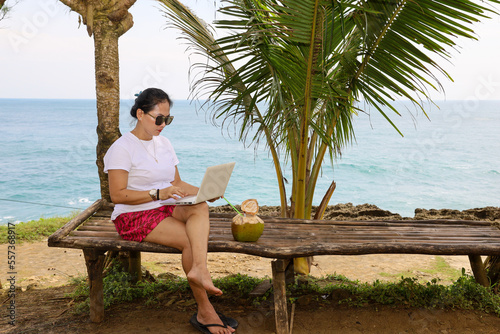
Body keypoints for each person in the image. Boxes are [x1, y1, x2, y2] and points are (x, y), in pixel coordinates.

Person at [103, 88, 237, 334]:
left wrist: (206, 190)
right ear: (141, 114)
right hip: (133, 214)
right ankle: (206, 310)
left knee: (200, 205)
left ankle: (199, 269)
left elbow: (177, 184)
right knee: (189, 240)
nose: (164, 124)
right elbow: (117, 195)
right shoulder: (122, 148)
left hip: (164, 205)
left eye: (168, 119)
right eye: (159, 118)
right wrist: (157, 194)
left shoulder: (164, 143)